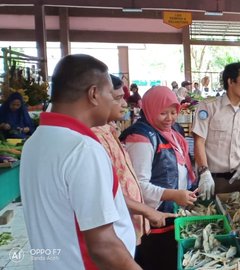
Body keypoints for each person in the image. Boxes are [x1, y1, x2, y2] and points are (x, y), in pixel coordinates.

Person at [20, 54, 140, 269]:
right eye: (110, 96)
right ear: (94, 94)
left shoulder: (35, 142)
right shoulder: (82, 149)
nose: (114, 103)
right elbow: (103, 246)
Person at [92, 75, 177, 247]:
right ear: (95, 96)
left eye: (174, 112)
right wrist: (165, 199)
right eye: (118, 98)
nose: (125, 103)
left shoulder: (110, 132)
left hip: (139, 218)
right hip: (130, 221)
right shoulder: (138, 137)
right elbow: (107, 193)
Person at [120, 86, 197, 270]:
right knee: (158, 260)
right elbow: (138, 186)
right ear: (150, 109)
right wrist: (173, 194)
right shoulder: (141, 138)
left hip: (171, 213)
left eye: (173, 112)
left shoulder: (172, 131)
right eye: (163, 113)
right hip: (153, 219)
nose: (169, 118)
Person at [192, 62, 240, 199]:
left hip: (239, 182)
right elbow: (199, 141)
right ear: (231, 81)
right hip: (212, 181)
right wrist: (204, 172)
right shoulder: (208, 107)